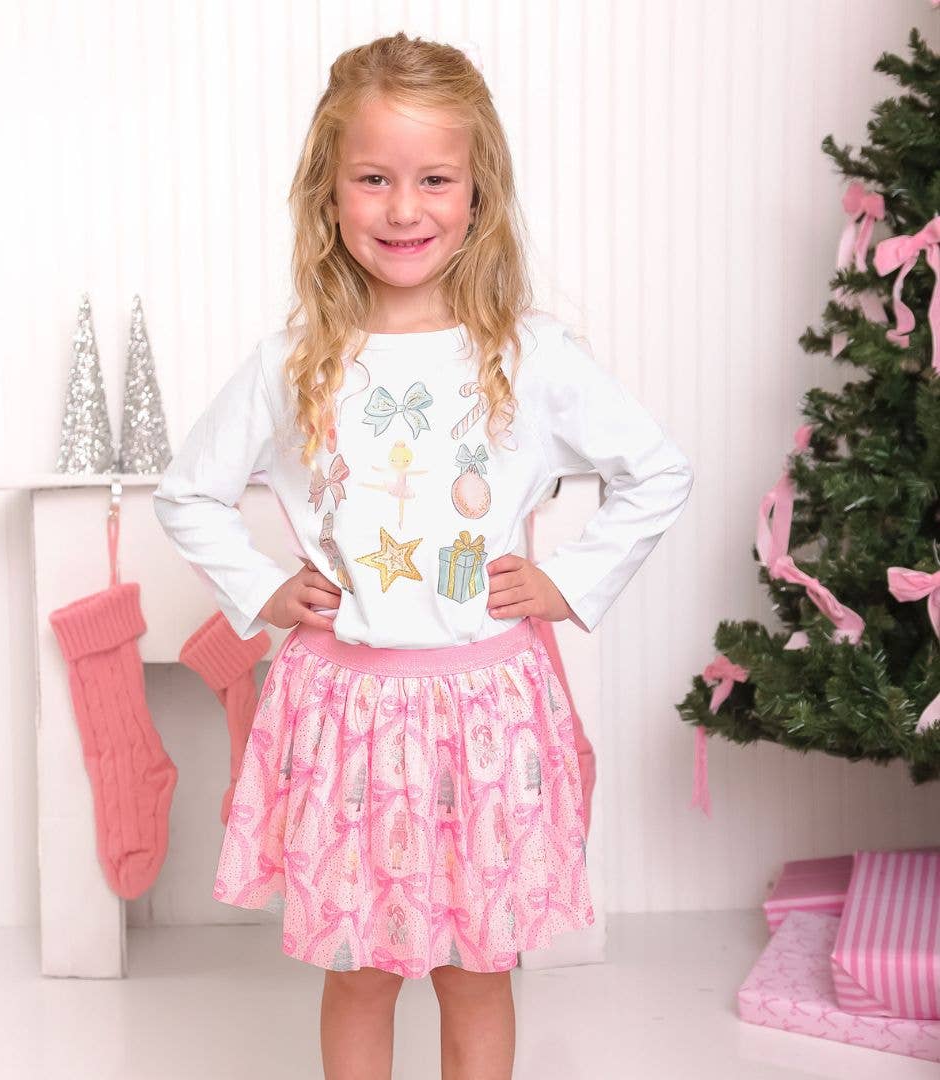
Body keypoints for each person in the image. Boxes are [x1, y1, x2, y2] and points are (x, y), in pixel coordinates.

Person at [153, 31, 693, 1080]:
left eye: (434, 179)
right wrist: (265, 588)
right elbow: (188, 493)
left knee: (476, 969)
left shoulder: (529, 355)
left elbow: (657, 471)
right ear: (329, 192)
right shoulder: (293, 362)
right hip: (344, 715)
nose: (404, 208)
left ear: (478, 191)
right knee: (358, 971)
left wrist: (569, 581)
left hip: (485, 712)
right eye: (374, 178)